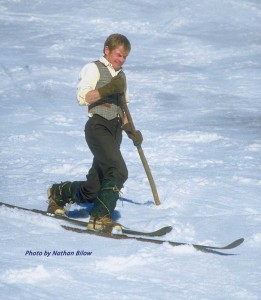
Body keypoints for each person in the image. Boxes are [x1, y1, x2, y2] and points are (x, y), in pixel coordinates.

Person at [47, 34, 143, 232]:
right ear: (106, 50)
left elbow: (123, 107)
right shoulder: (93, 68)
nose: (121, 60)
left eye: (125, 57)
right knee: (117, 170)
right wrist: (108, 89)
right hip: (98, 127)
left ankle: (58, 194)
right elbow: (83, 98)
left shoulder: (121, 75)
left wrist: (131, 130)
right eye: (118, 55)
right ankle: (99, 217)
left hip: (115, 131)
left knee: (94, 189)